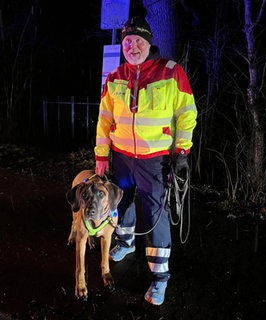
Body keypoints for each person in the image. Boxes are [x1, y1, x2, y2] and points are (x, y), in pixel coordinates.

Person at [94, 16, 198, 306]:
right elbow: (104, 120)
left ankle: (159, 277)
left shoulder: (170, 72)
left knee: (155, 215)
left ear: (149, 43)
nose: (132, 46)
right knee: (121, 202)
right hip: (122, 156)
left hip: (155, 160)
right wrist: (101, 155)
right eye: (127, 41)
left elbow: (186, 114)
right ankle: (125, 243)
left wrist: (181, 152)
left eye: (138, 41)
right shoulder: (114, 77)